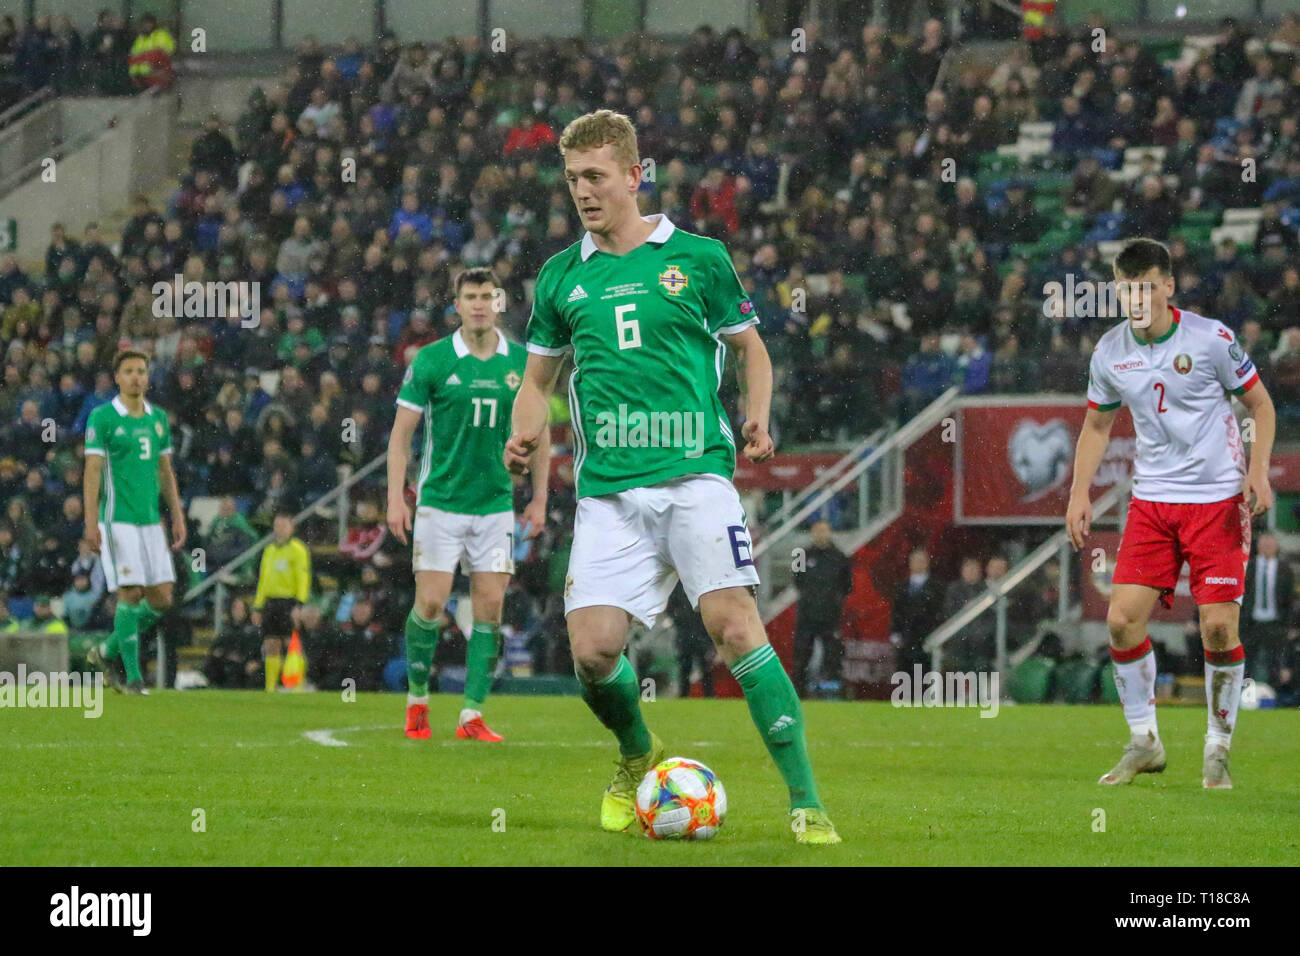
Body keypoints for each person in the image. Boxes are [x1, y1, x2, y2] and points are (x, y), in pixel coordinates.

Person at [506, 110, 839, 844]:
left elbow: (753, 351)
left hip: (695, 478)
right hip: (609, 495)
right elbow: (536, 382)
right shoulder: (561, 278)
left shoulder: (698, 258)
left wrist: (757, 417)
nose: (583, 192)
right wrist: (524, 424)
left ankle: (806, 800)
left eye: (595, 176)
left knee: (733, 626)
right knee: (593, 652)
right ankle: (636, 755)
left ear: (633, 175)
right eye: (572, 179)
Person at [1067, 237, 1275, 789]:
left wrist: (1257, 472)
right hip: (1154, 503)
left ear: (1167, 287)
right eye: (1124, 288)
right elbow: (1096, 425)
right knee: (1121, 619)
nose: (1135, 298)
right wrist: (1078, 492)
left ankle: (1217, 747)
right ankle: (1145, 741)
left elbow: (1260, 403)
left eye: (1144, 287)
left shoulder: (1210, 339)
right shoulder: (1110, 351)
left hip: (1218, 502)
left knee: (1217, 627)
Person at [387, 266, 549, 741]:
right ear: (456, 305)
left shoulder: (523, 364)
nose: (479, 304)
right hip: (440, 502)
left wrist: (538, 499)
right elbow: (400, 439)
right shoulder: (433, 361)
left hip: (495, 504)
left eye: (487, 296)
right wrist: (397, 498)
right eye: (470, 297)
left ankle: (471, 714)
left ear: (499, 303)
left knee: (490, 608)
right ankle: (418, 698)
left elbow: (539, 437)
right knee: (432, 604)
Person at [83, 350, 186, 695]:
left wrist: (177, 515)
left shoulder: (158, 419)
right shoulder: (103, 417)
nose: (136, 377)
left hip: (149, 521)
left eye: (141, 371)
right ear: (117, 378)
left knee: (161, 599)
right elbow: (93, 471)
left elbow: (166, 471)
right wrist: (90, 521)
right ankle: (133, 678)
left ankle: (106, 651)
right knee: (130, 593)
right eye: (128, 371)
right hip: (117, 520)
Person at [791, 519, 854, 697]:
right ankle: (798, 693)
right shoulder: (801, 555)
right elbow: (797, 581)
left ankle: (833, 691)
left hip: (830, 616)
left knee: (833, 655)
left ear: (830, 533)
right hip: (806, 615)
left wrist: (831, 600)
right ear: (812, 533)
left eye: (824, 531)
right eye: (817, 531)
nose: (821, 535)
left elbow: (847, 585)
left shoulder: (840, 557)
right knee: (802, 655)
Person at [251, 512, 311, 692]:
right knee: (271, 643)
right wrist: (257, 606)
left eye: (284, 526)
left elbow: (303, 577)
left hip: (288, 601)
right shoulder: (269, 550)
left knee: (291, 643)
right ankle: (270, 688)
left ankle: (296, 685)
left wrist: (299, 604)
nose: (280, 530)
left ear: (291, 528)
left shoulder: (298, 549)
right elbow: (263, 580)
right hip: (270, 602)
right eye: (277, 526)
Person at [1241, 533, 1295, 690]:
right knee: (1248, 662)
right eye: (1263, 544)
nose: (1266, 548)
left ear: (1277, 547)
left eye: (1270, 545)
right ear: (1257, 546)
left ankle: (1273, 697)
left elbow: (1289, 599)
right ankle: (1246, 695)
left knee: (1275, 662)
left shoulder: (1285, 569)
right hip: (1251, 623)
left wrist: (1289, 624)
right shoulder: (1248, 567)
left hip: (1275, 623)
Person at [891, 547, 945, 674]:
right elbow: (896, 611)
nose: (918, 564)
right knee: (905, 675)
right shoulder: (901, 586)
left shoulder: (937, 587)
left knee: (924, 675)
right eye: (915, 561)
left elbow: (939, 613)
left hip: (926, 639)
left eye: (921, 561)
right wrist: (895, 632)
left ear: (927, 563)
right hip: (905, 639)